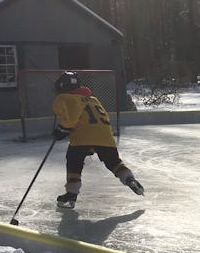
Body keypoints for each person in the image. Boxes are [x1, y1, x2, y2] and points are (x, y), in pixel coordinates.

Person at [52, 71, 144, 209]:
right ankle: (129, 179)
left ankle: (71, 193)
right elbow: (105, 117)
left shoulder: (64, 97)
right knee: (113, 162)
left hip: (82, 136)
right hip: (105, 135)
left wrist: (62, 129)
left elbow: (71, 119)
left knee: (74, 161)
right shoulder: (93, 99)